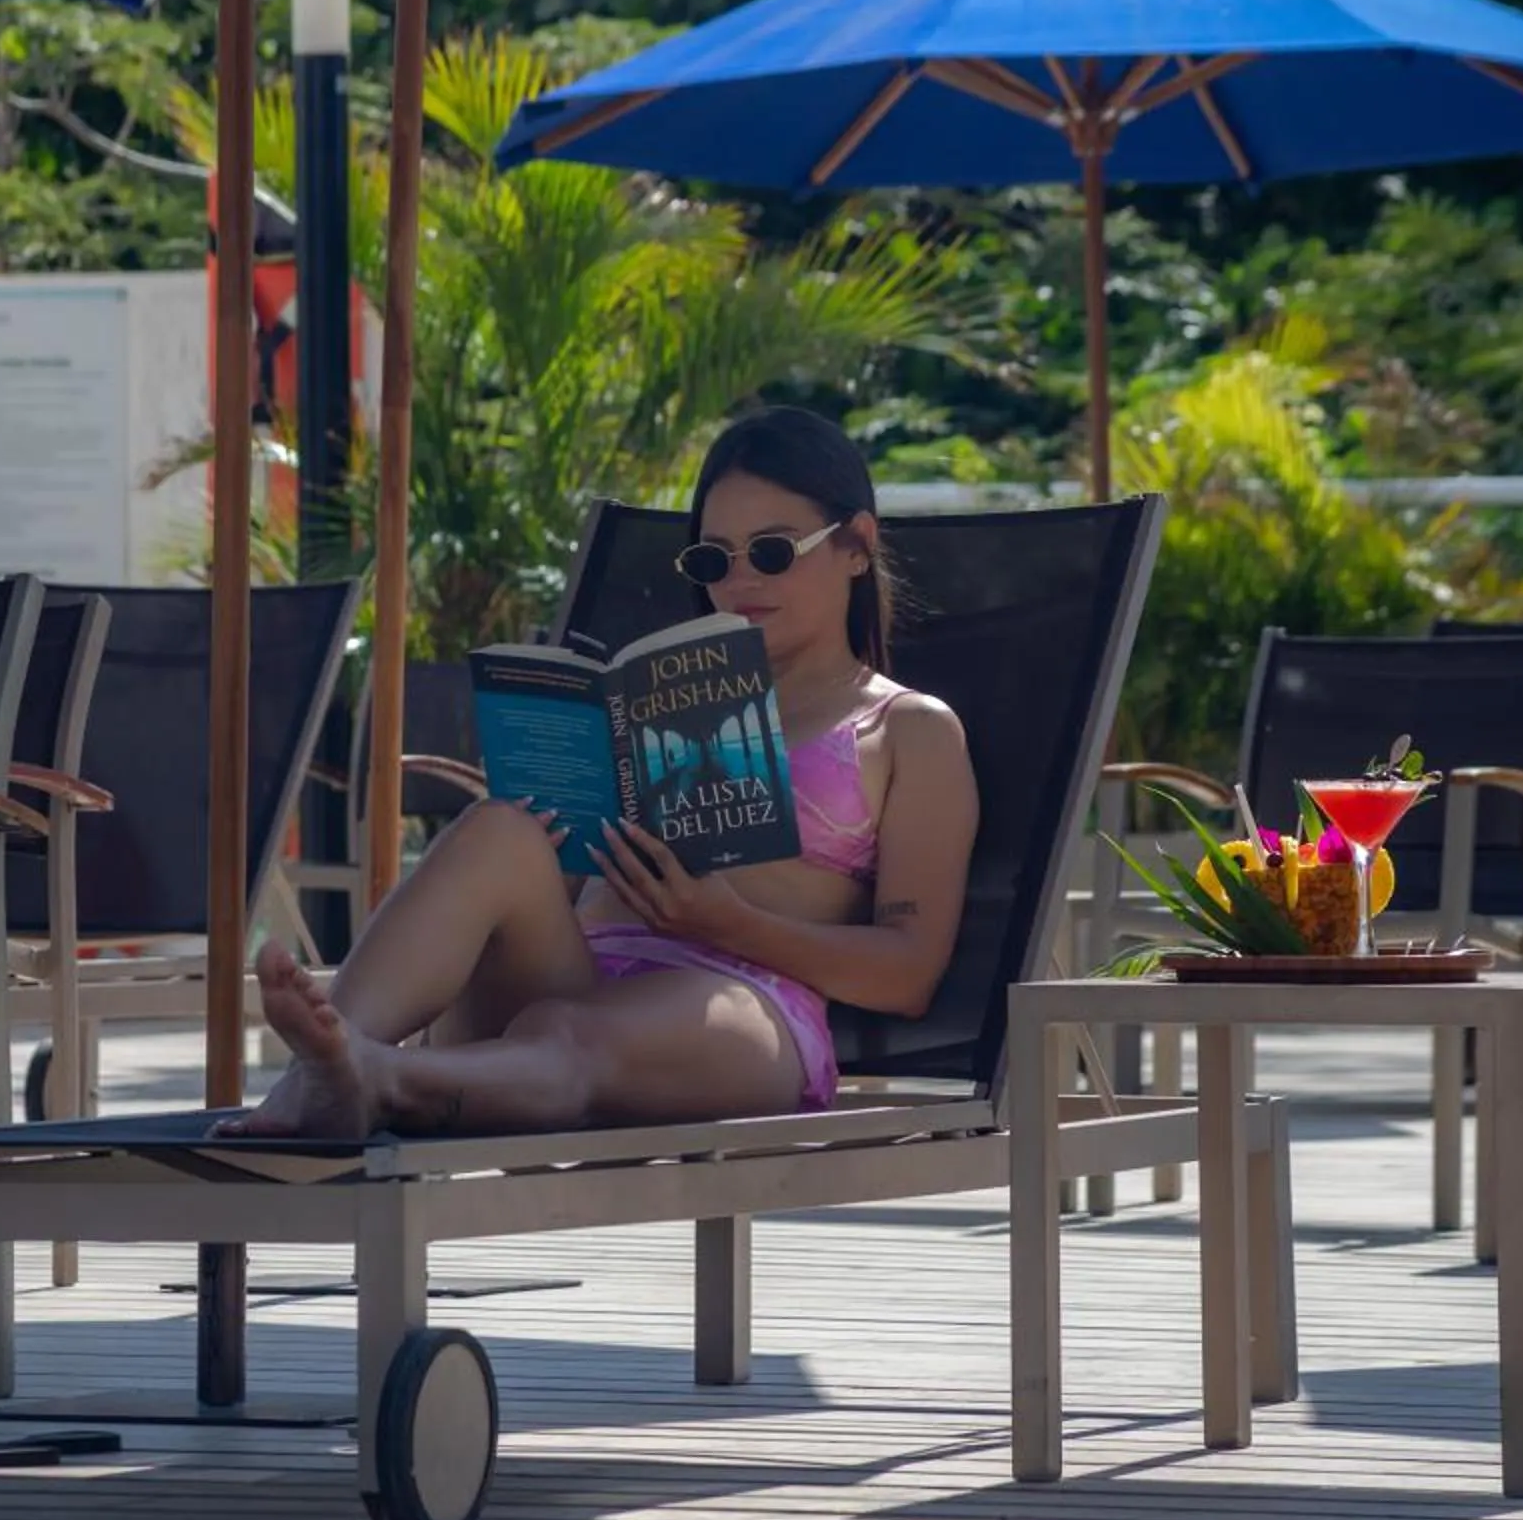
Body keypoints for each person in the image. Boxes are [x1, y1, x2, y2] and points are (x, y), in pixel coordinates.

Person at [227, 406, 979, 1140]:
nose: (742, 580)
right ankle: (328, 1066)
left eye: (774, 551)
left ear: (855, 545)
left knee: (564, 1030)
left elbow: (908, 975)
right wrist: (550, 811)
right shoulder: (656, 703)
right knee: (499, 830)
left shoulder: (905, 729)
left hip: (744, 1002)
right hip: (575, 969)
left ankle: (374, 1077)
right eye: (714, 559)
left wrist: (728, 922)